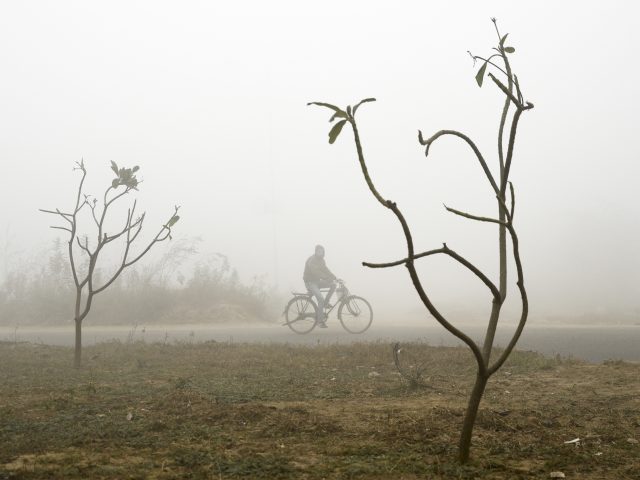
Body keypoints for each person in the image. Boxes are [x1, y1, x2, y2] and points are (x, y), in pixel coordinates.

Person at [303, 245, 337, 328]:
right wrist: (326, 277)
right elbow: (315, 272)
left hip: (317, 282)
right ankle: (319, 321)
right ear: (315, 251)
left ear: (323, 252)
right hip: (310, 282)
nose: (320, 253)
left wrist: (333, 277)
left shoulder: (322, 261)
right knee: (320, 299)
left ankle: (325, 303)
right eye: (318, 251)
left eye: (321, 251)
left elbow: (325, 269)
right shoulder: (312, 260)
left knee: (333, 285)